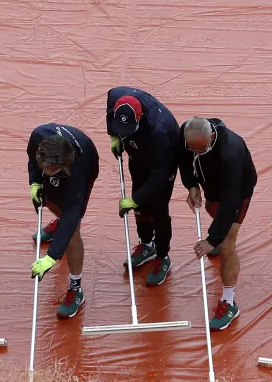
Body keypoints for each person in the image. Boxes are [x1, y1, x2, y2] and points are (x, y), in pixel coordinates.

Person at [179, 117, 257, 331]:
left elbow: (231, 202)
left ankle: (229, 302)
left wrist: (212, 239)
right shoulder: (187, 134)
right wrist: (192, 185)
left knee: (226, 245)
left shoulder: (231, 151)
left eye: (200, 149)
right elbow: (184, 160)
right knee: (211, 210)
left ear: (211, 137)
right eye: (191, 148)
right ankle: (218, 238)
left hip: (237, 190)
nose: (195, 152)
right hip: (211, 183)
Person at [106, 86, 181, 286]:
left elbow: (159, 174)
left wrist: (136, 200)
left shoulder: (159, 131)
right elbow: (109, 111)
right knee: (138, 198)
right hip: (137, 154)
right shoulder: (116, 97)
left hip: (162, 163)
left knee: (157, 206)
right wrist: (114, 135)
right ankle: (147, 245)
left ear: (139, 119)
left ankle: (163, 256)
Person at [28, 123, 99, 319]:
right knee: (49, 197)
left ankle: (76, 288)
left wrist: (51, 257)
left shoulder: (76, 173)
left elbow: (71, 215)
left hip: (87, 161)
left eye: (57, 168)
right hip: (54, 160)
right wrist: (34, 183)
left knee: (72, 228)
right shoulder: (37, 137)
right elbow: (32, 162)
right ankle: (58, 225)